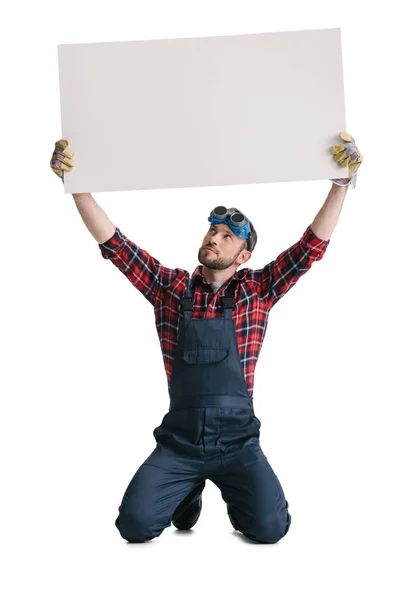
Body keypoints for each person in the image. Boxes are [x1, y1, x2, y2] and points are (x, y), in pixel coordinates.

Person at [50, 133, 363, 544]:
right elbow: (114, 243)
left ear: (243, 256)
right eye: (212, 231)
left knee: (269, 530)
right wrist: (76, 185)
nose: (214, 238)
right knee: (135, 526)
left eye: (227, 236)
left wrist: (341, 183)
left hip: (238, 442)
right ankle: (187, 492)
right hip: (178, 442)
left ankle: (234, 491)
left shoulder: (259, 290)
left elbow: (311, 247)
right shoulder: (169, 288)